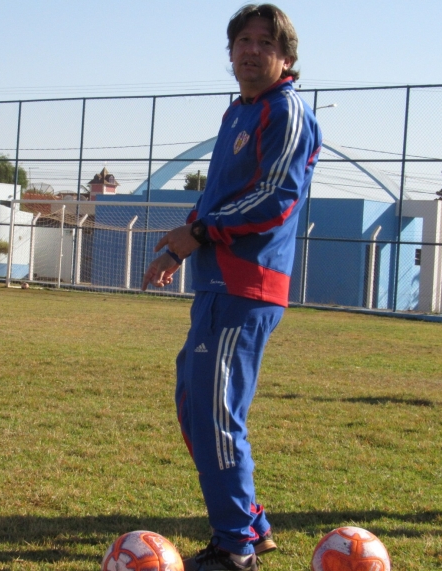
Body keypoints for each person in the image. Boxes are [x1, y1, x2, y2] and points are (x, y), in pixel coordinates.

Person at [141, 5, 322, 571]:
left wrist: (196, 232)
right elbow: (219, 196)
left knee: (216, 412)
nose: (249, 50)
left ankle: (234, 547)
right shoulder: (237, 113)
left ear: (285, 57)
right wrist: (179, 247)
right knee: (195, 404)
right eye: (241, 40)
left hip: (248, 286)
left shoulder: (285, 110)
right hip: (214, 283)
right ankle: (252, 525)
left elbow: (275, 199)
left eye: (263, 42)